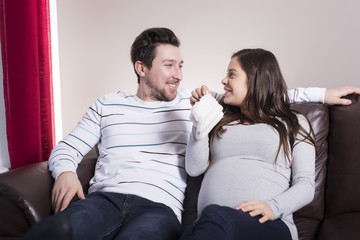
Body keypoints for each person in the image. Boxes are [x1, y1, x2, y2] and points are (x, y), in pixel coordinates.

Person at [22, 27, 360, 240]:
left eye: (181, 65)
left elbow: (263, 95)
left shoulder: (193, 101)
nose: (179, 75)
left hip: (160, 207)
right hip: (104, 198)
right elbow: (68, 147)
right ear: (142, 69)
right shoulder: (108, 105)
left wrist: (322, 94)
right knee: (56, 231)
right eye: (169, 65)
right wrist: (65, 171)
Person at [180, 48, 320, 240]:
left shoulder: (294, 123)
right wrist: (201, 119)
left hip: (268, 225)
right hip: (211, 227)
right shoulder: (220, 118)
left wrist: (273, 207)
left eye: (231, 74)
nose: (223, 81)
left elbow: (306, 184)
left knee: (214, 216)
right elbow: (194, 168)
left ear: (255, 79)